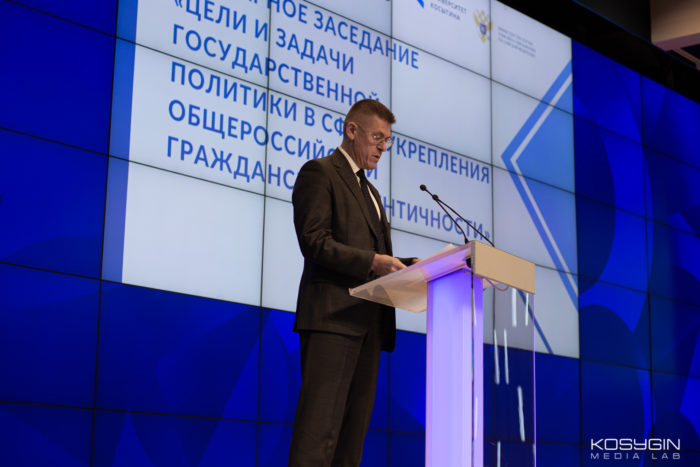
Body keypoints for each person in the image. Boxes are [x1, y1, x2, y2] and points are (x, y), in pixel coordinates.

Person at [289, 99, 415, 466]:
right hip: (333, 320)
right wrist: (372, 261)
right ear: (352, 130)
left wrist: (412, 266)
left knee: (350, 443)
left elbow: (377, 256)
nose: (383, 147)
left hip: (369, 325)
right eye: (377, 137)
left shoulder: (371, 192)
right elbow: (314, 241)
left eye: (387, 140)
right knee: (317, 438)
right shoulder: (320, 172)